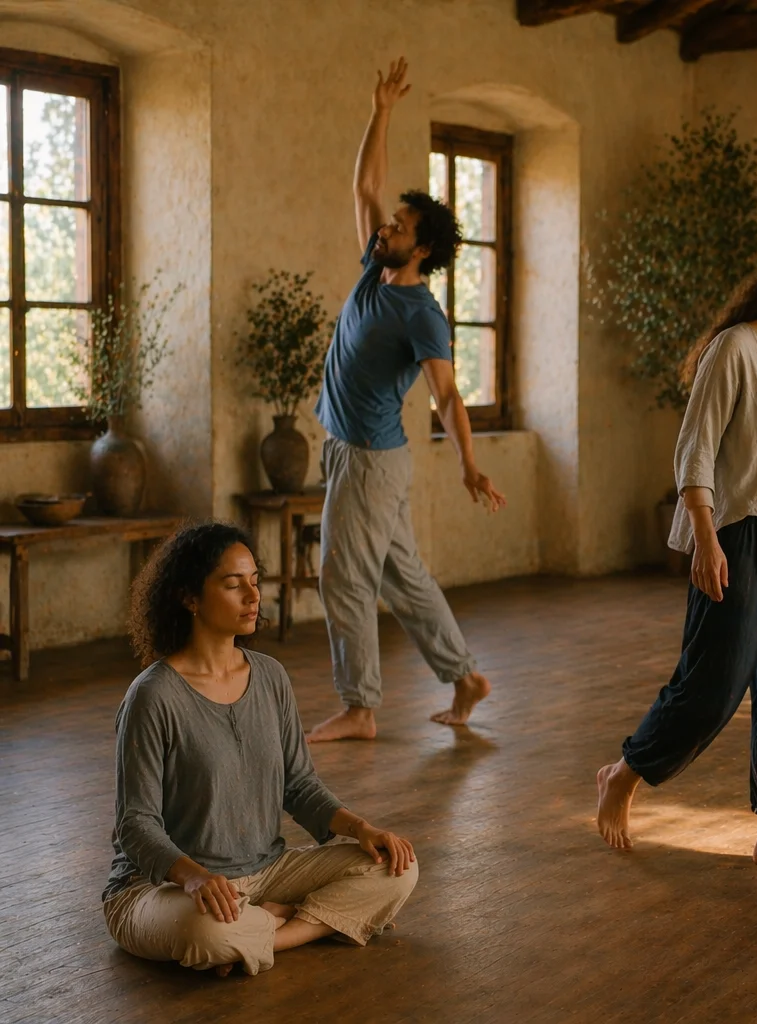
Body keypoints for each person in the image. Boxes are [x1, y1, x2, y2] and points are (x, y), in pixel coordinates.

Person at [594, 225, 757, 873]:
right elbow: (696, 452)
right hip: (740, 535)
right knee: (713, 686)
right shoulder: (734, 350)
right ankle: (625, 774)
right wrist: (706, 540)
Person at [103, 522, 419, 977]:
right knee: (206, 932)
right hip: (160, 889)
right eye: (233, 585)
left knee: (397, 869)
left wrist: (361, 828)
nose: (253, 597)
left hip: (267, 870)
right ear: (190, 598)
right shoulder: (153, 695)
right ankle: (281, 921)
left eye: (255, 581)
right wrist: (193, 877)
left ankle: (270, 928)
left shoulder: (270, 676)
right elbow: (135, 825)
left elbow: (300, 785)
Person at [307, 58, 506, 742]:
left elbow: (447, 396)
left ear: (420, 248)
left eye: (397, 226)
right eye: (388, 221)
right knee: (405, 578)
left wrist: (468, 464)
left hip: (368, 461)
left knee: (342, 578)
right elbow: (363, 184)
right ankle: (465, 676)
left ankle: (360, 708)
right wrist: (381, 109)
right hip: (354, 454)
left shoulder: (422, 312)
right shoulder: (375, 269)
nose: (384, 227)